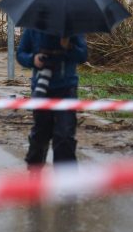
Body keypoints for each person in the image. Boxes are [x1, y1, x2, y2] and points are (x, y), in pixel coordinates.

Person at [17, 29, 88, 167]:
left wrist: (68, 46)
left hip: (66, 89)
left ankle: (66, 178)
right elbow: (20, 54)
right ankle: (35, 171)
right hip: (41, 90)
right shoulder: (33, 29)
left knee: (65, 135)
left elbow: (83, 56)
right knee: (40, 134)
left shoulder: (72, 30)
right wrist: (33, 59)